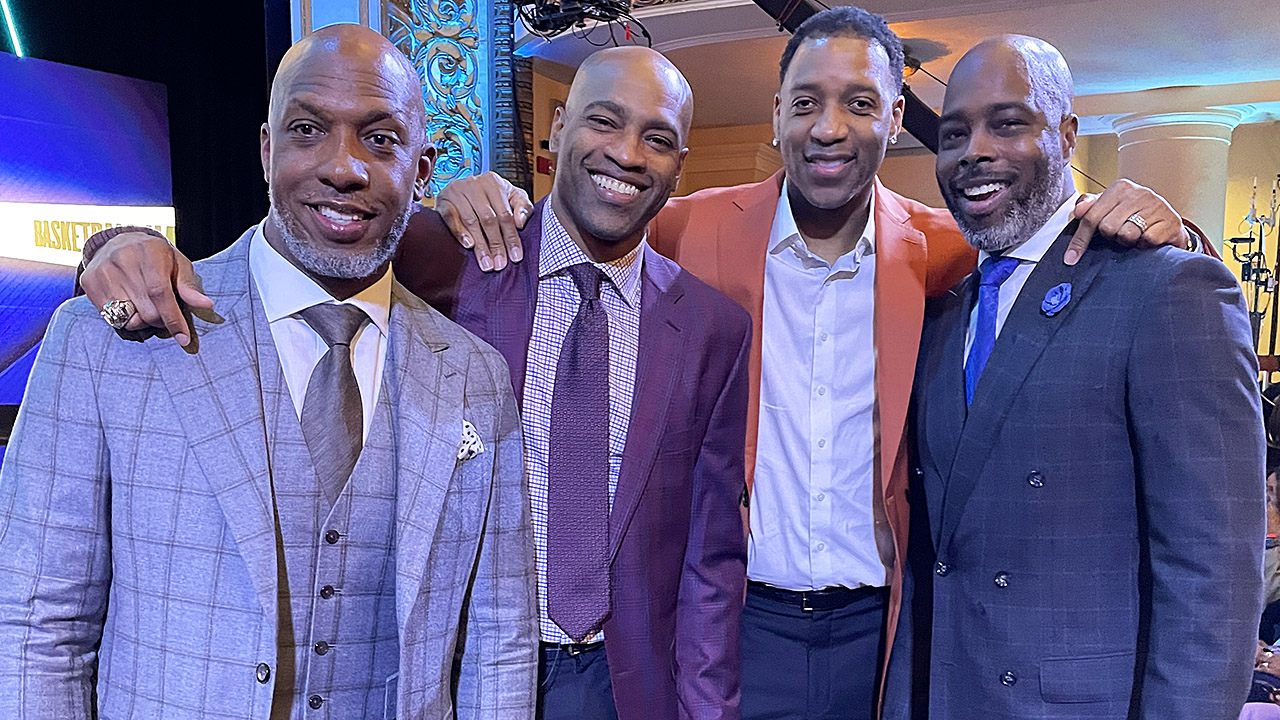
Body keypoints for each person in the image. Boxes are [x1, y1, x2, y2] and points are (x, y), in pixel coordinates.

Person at [75, 7, 1206, 720]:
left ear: (885, 124)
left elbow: (1045, 262)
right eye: (806, 100)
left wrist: (1170, 228)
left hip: (867, 639)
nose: (828, 125)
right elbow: (317, 239)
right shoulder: (612, 237)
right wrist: (114, 246)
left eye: (860, 103)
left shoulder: (939, 250)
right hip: (514, 659)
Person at [76, 46, 751, 720]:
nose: (628, 154)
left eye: (657, 138)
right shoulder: (452, 255)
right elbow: (300, 236)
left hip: (625, 683)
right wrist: (119, 244)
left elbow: (710, 561)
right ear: (560, 129)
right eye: (605, 122)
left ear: (679, 163)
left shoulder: (712, 329)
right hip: (455, 675)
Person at [0, 25, 538, 719]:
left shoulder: (474, 376)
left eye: (380, 139)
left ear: (423, 169)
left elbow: (500, 642)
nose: (345, 168)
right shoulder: (107, 342)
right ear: (266, 148)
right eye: (310, 129)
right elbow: (37, 630)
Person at [887, 34, 1263, 719]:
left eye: (1008, 122)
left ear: (1065, 133)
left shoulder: (1168, 288)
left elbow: (1212, 574)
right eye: (953, 132)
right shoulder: (940, 310)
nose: (974, 150)